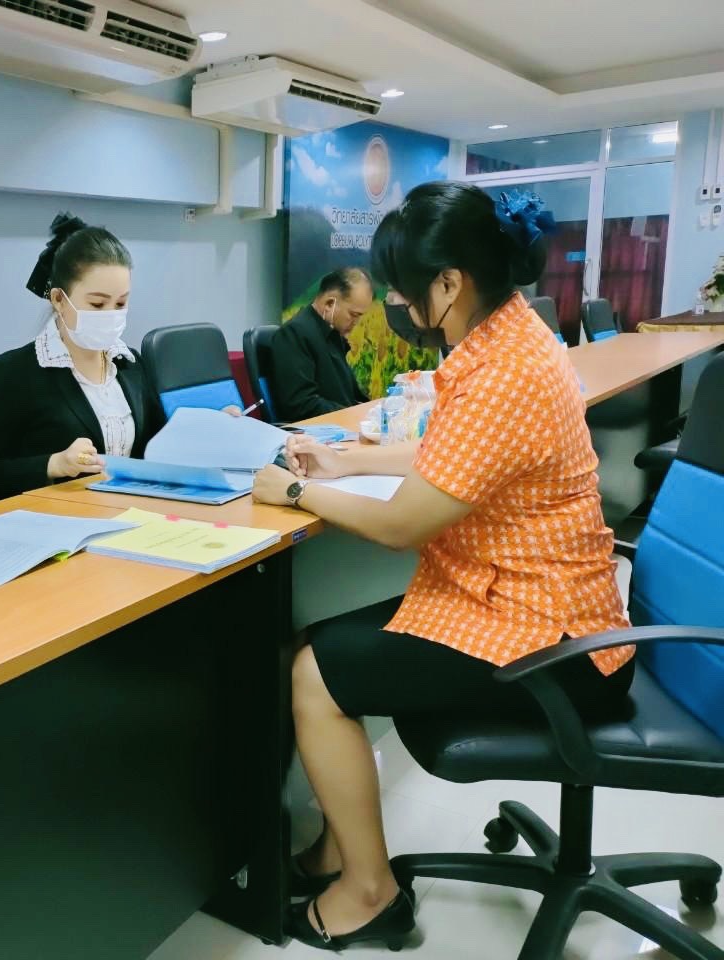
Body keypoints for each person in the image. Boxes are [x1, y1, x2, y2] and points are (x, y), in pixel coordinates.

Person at [252, 182, 633, 950]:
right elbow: (454, 451)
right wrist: (343, 459)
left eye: (401, 287)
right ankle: (339, 848)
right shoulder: (512, 338)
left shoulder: (504, 372)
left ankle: (370, 892)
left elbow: (401, 525)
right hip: (544, 609)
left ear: (450, 283)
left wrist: (295, 489)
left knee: (315, 672)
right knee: (325, 648)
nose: (394, 301)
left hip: (553, 642)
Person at [0, 214, 163, 502]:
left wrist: (206, 430)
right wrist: (54, 464)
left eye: (121, 303)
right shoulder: (14, 373)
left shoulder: (130, 364)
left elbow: (159, 447)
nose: (111, 314)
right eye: (97, 304)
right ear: (59, 299)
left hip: (130, 515)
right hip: (56, 521)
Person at [271, 267, 371, 422]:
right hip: (317, 431)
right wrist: (352, 415)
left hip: (342, 423)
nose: (356, 322)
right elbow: (300, 404)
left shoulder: (332, 334)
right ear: (330, 303)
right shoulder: (294, 334)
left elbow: (349, 396)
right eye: (353, 315)